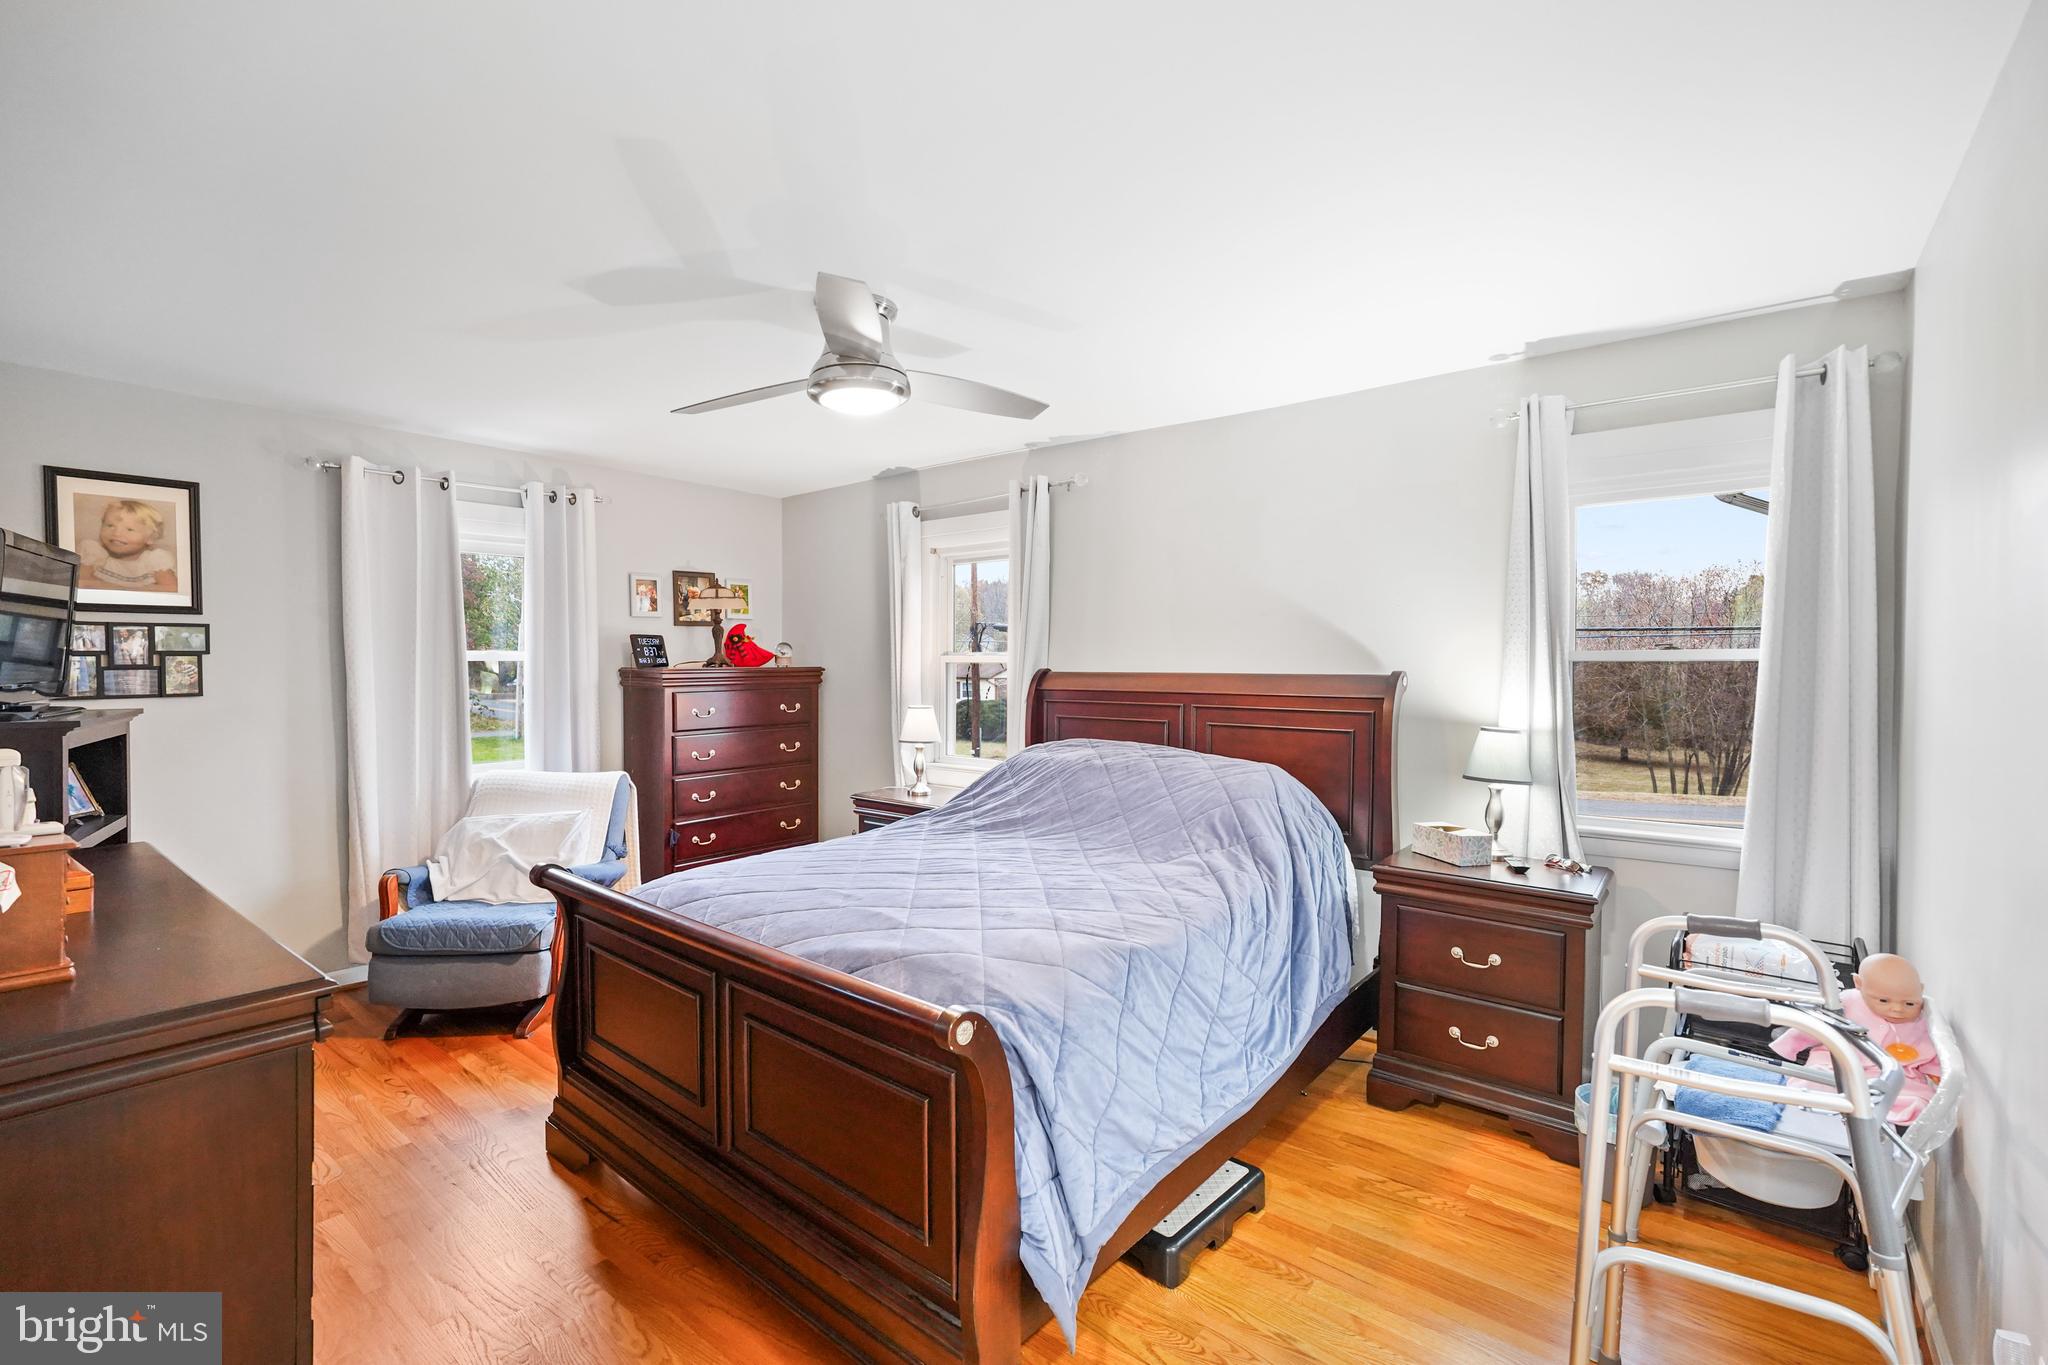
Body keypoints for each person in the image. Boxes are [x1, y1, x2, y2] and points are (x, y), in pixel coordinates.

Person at [78, 499, 178, 593]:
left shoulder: (154, 560)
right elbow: (80, 584)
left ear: (150, 538)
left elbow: (172, 589)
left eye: (129, 529)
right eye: (110, 525)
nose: (116, 533)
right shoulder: (94, 553)